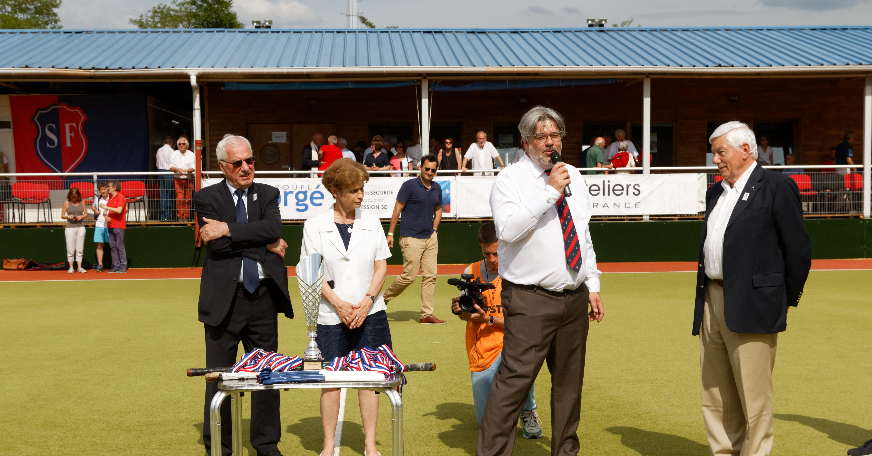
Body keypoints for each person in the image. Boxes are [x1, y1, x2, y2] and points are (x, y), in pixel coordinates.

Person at [481, 106, 604, 456]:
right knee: (514, 382)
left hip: (574, 297)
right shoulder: (510, 180)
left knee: (569, 384)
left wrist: (592, 285)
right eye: (542, 136)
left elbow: (583, 234)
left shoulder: (574, 176)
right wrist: (549, 191)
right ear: (525, 141)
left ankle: (565, 450)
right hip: (530, 298)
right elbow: (507, 230)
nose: (550, 143)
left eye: (555, 135)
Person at [696, 121, 811, 456]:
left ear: (745, 150)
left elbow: (798, 249)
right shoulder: (715, 191)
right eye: (713, 152)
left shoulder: (776, 185)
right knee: (716, 393)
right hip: (711, 300)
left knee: (754, 396)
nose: (715, 159)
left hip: (754, 302)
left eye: (720, 152)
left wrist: (783, 298)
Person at [193, 134, 294, 456]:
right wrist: (262, 242)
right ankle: (220, 448)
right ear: (223, 166)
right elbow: (219, 246)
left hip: (264, 298)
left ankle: (266, 445)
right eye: (238, 163)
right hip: (224, 300)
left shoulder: (267, 193)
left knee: (269, 375)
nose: (246, 167)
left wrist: (229, 228)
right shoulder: (206, 197)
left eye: (250, 160)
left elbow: (273, 230)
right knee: (220, 378)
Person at [300, 158, 391, 456]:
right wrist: (339, 305)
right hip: (330, 314)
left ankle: (369, 444)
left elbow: (381, 267)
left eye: (362, 189)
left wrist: (366, 302)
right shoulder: (313, 226)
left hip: (371, 313)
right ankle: (328, 445)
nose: (360, 195)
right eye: (354, 190)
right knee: (330, 381)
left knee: (370, 378)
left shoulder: (373, 222)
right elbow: (312, 273)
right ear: (335, 191)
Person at [450, 222, 542, 438]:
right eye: (486, 253)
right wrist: (460, 310)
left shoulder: (519, 272)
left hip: (512, 342)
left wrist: (488, 317)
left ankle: (528, 409)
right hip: (481, 349)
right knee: (486, 423)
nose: (492, 259)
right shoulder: (470, 272)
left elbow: (524, 321)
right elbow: (466, 315)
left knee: (522, 362)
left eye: (496, 253)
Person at [383, 154, 445, 324]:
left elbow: (438, 210)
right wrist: (390, 234)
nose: (430, 172)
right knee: (409, 276)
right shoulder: (409, 185)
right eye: (427, 169)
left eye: (433, 170)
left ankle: (426, 314)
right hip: (410, 238)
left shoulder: (437, 187)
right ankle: (381, 300)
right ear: (420, 168)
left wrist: (434, 230)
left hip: (430, 238)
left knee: (430, 276)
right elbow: (397, 210)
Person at [100, 180, 128, 274]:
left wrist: (106, 208)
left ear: (114, 187)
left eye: (109, 186)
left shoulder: (120, 197)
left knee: (120, 245)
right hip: (110, 225)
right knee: (113, 246)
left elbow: (119, 210)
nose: (108, 188)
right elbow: (104, 211)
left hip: (119, 225)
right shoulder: (110, 198)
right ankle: (116, 265)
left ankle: (123, 265)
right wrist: (105, 216)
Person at [62, 187, 88, 274]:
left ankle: (80, 267)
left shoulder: (82, 202)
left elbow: (86, 214)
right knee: (70, 248)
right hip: (70, 227)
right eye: (72, 197)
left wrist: (81, 216)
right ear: (70, 196)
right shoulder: (66, 203)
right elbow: (62, 215)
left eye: (75, 197)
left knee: (80, 248)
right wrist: (69, 216)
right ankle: (71, 267)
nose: (74, 199)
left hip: (80, 227)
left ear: (78, 196)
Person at [170, 136, 196, 221]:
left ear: (187, 145)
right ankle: (180, 216)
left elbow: (193, 167)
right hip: (178, 179)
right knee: (180, 198)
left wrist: (185, 170)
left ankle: (186, 215)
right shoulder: (174, 154)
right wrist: (178, 169)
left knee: (188, 199)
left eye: (183, 144)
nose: (181, 145)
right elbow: (171, 167)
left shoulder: (191, 154)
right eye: (179, 144)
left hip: (189, 179)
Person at [91, 181, 112, 272]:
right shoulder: (97, 198)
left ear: (107, 189)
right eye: (101, 190)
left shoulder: (111, 198)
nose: (103, 191)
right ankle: (100, 265)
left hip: (110, 224)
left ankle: (114, 264)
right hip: (99, 224)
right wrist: (95, 210)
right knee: (99, 246)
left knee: (112, 245)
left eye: (104, 189)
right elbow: (93, 207)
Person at [155, 136, 175, 221]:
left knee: (162, 195)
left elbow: (157, 164)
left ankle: (163, 216)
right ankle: (169, 216)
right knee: (169, 195)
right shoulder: (171, 151)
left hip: (160, 172)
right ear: (172, 143)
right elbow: (173, 164)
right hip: (168, 172)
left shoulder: (159, 150)